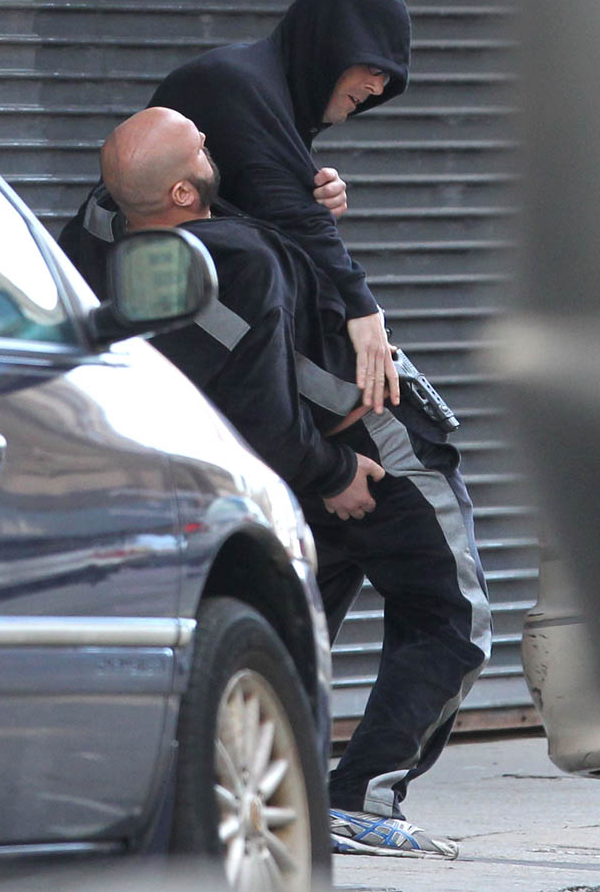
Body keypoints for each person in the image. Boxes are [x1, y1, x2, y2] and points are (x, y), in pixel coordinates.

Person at [94, 106, 492, 860]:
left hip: (288, 471)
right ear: (182, 191)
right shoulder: (237, 256)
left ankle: (282, 796)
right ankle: (360, 801)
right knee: (453, 620)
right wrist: (331, 469)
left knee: (292, 636)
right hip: (368, 450)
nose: (214, 142)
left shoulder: (112, 251)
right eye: (201, 144)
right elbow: (261, 395)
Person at [60, 0, 410, 417]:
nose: (377, 86)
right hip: (109, 345)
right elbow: (293, 220)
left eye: (388, 77)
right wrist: (363, 309)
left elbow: (278, 209)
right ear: (330, 47)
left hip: (145, 340)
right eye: (371, 66)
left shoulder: (266, 97)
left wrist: (311, 197)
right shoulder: (236, 86)